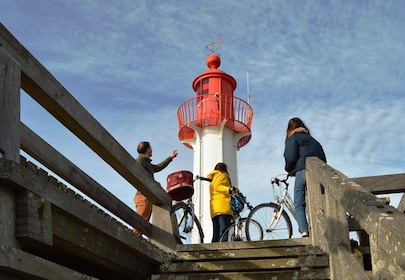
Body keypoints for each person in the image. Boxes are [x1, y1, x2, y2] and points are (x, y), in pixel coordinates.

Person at [284, 117, 326, 238]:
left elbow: (290, 157)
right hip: (319, 174)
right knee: (319, 201)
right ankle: (321, 230)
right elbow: (323, 159)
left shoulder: (293, 138)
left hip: (303, 171)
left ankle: (304, 232)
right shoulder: (314, 141)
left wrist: (288, 169)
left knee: (299, 203)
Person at [133, 141, 178, 233]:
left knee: (143, 224)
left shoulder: (146, 162)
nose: (152, 150)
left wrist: (170, 158)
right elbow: (141, 176)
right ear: (147, 149)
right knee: (139, 225)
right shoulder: (140, 161)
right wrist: (154, 183)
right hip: (143, 196)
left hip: (147, 196)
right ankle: (128, 243)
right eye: (151, 148)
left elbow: (158, 167)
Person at [206, 162, 235, 242]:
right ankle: (224, 252)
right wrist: (229, 189)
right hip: (223, 207)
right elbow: (218, 187)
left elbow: (215, 187)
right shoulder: (221, 175)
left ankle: (212, 252)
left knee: (216, 234)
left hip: (215, 209)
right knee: (224, 233)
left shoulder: (214, 178)